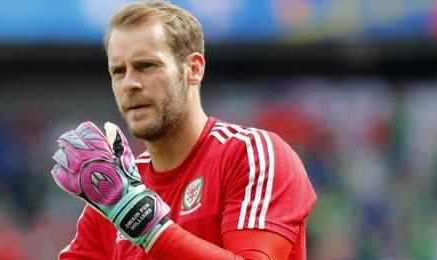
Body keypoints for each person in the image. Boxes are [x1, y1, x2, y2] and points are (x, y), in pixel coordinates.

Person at [50, 1, 317, 259]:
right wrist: (126, 207)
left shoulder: (251, 154)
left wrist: (141, 222)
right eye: (118, 71)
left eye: (146, 66)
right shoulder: (113, 192)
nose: (130, 83)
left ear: (193, 69)